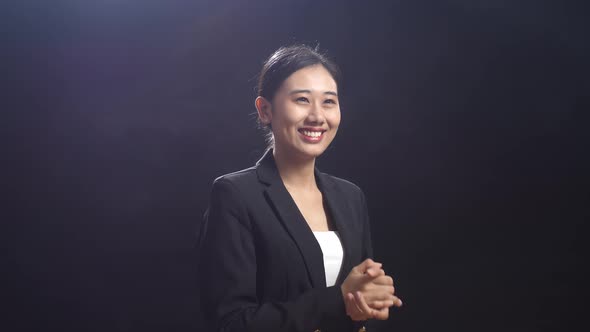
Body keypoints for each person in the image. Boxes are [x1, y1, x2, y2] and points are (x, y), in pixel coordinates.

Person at [199, 44, 402, 332]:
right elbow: (230, 323)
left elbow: (360, 308)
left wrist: (372, 300)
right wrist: (341, 298)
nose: (318, 116)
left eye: (329, 102)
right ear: (265, 110)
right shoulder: (235, 195)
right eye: (302, 100)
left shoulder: (350, 197)